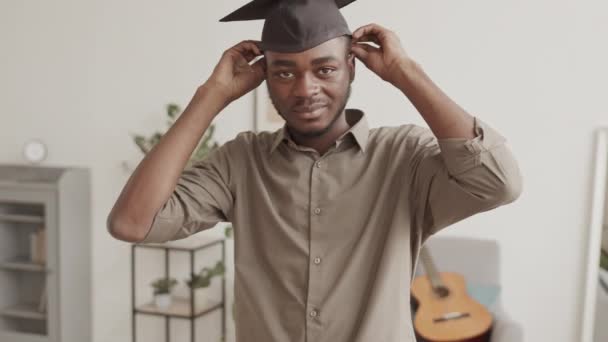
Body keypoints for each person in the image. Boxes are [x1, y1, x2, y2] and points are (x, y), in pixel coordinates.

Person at [107, 0, 523, 341]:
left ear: (352, 68)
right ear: (265, 78)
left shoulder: (405, 157)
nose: (305, 89)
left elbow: (499, 184)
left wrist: (404, 73)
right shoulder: (240, 162)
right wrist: (210, 96)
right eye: (284, 72)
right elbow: (131, 223)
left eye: (325, 69)